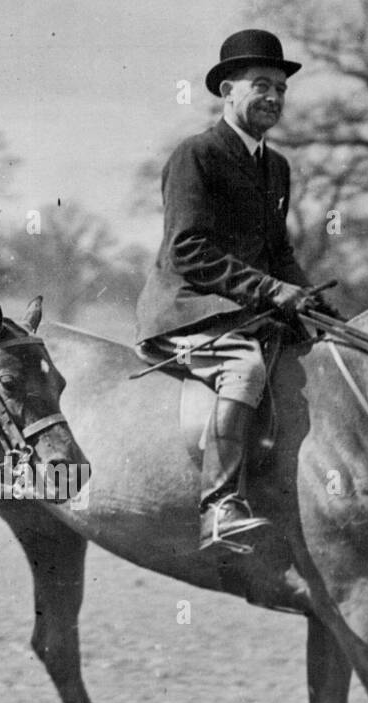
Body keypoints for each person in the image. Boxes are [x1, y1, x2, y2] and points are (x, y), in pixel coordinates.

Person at [136, 29, 337, 552]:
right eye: (261, 85)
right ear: (227, 91)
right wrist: (272, 291)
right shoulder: (196, 155)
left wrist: (316, 303)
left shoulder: (277, 166)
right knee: (245, 368)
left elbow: (280, 254)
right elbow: (188, 251)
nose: (273, 97)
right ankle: (219, 507)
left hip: (247, 310)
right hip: (189, 308)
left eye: (281, 89)